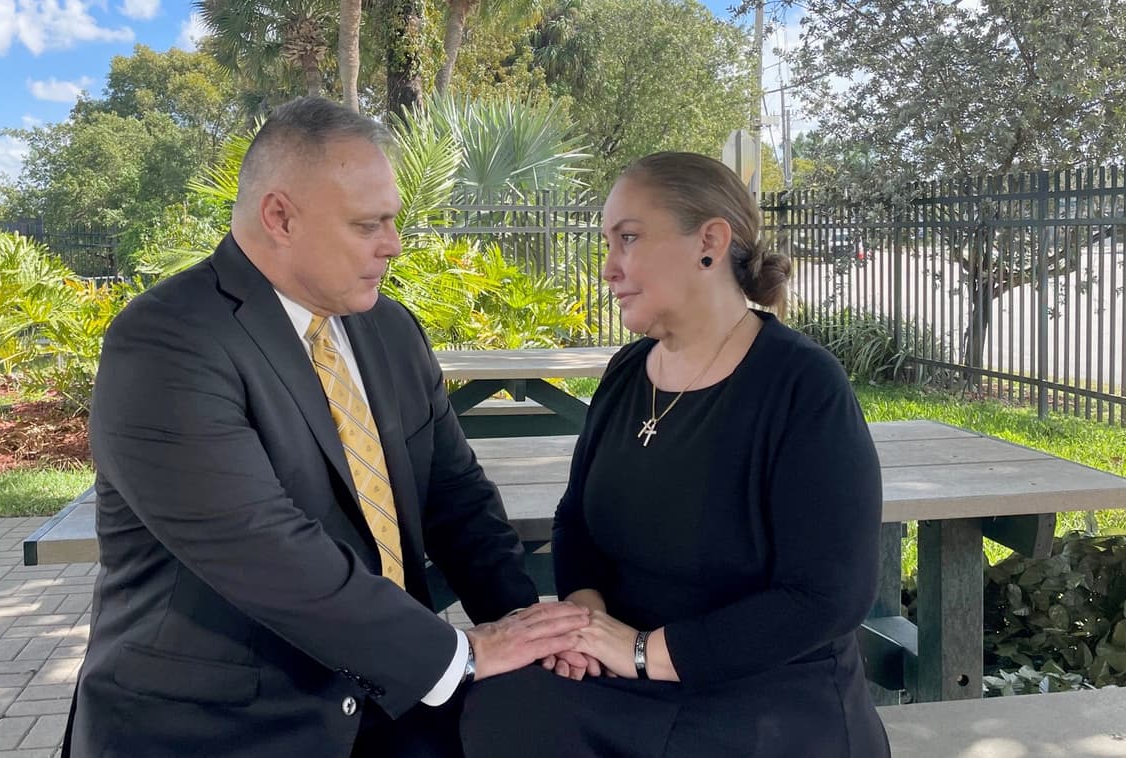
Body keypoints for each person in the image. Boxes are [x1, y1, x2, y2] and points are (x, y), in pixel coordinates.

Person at [62, 96, 589, 757]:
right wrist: (457, 654)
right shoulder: (168, 341)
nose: (393, 245)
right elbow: (262, 546)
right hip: (223, 727)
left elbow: (456, 497)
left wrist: (522, 624)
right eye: (369, 224)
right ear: (280, 216)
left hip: (396, 708)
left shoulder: (388, 328)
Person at [460, 152, 890, 758]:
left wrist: (641, 653)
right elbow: (577, 520)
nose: (609, 268)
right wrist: (586, 622)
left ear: (710, 242)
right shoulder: (628, 372)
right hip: (624, 683)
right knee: (492, 710)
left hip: (763, 698)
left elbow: (828, 597)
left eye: (628, 239)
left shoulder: (801, 385)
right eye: (607, 243)